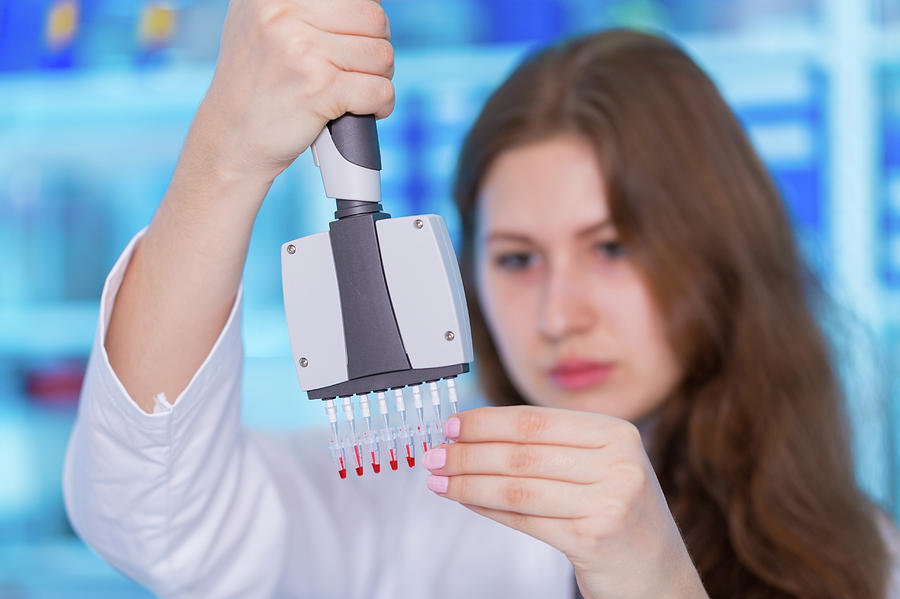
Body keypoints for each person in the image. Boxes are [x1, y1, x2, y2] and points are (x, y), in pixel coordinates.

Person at [62, 0, 900, 597]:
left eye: (612, 247)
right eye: (516, 258)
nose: (558, 315)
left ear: (723, 251)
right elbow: (153, 516)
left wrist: (654, 578)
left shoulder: (869, 564)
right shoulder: (404, 493)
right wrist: (226, 152)